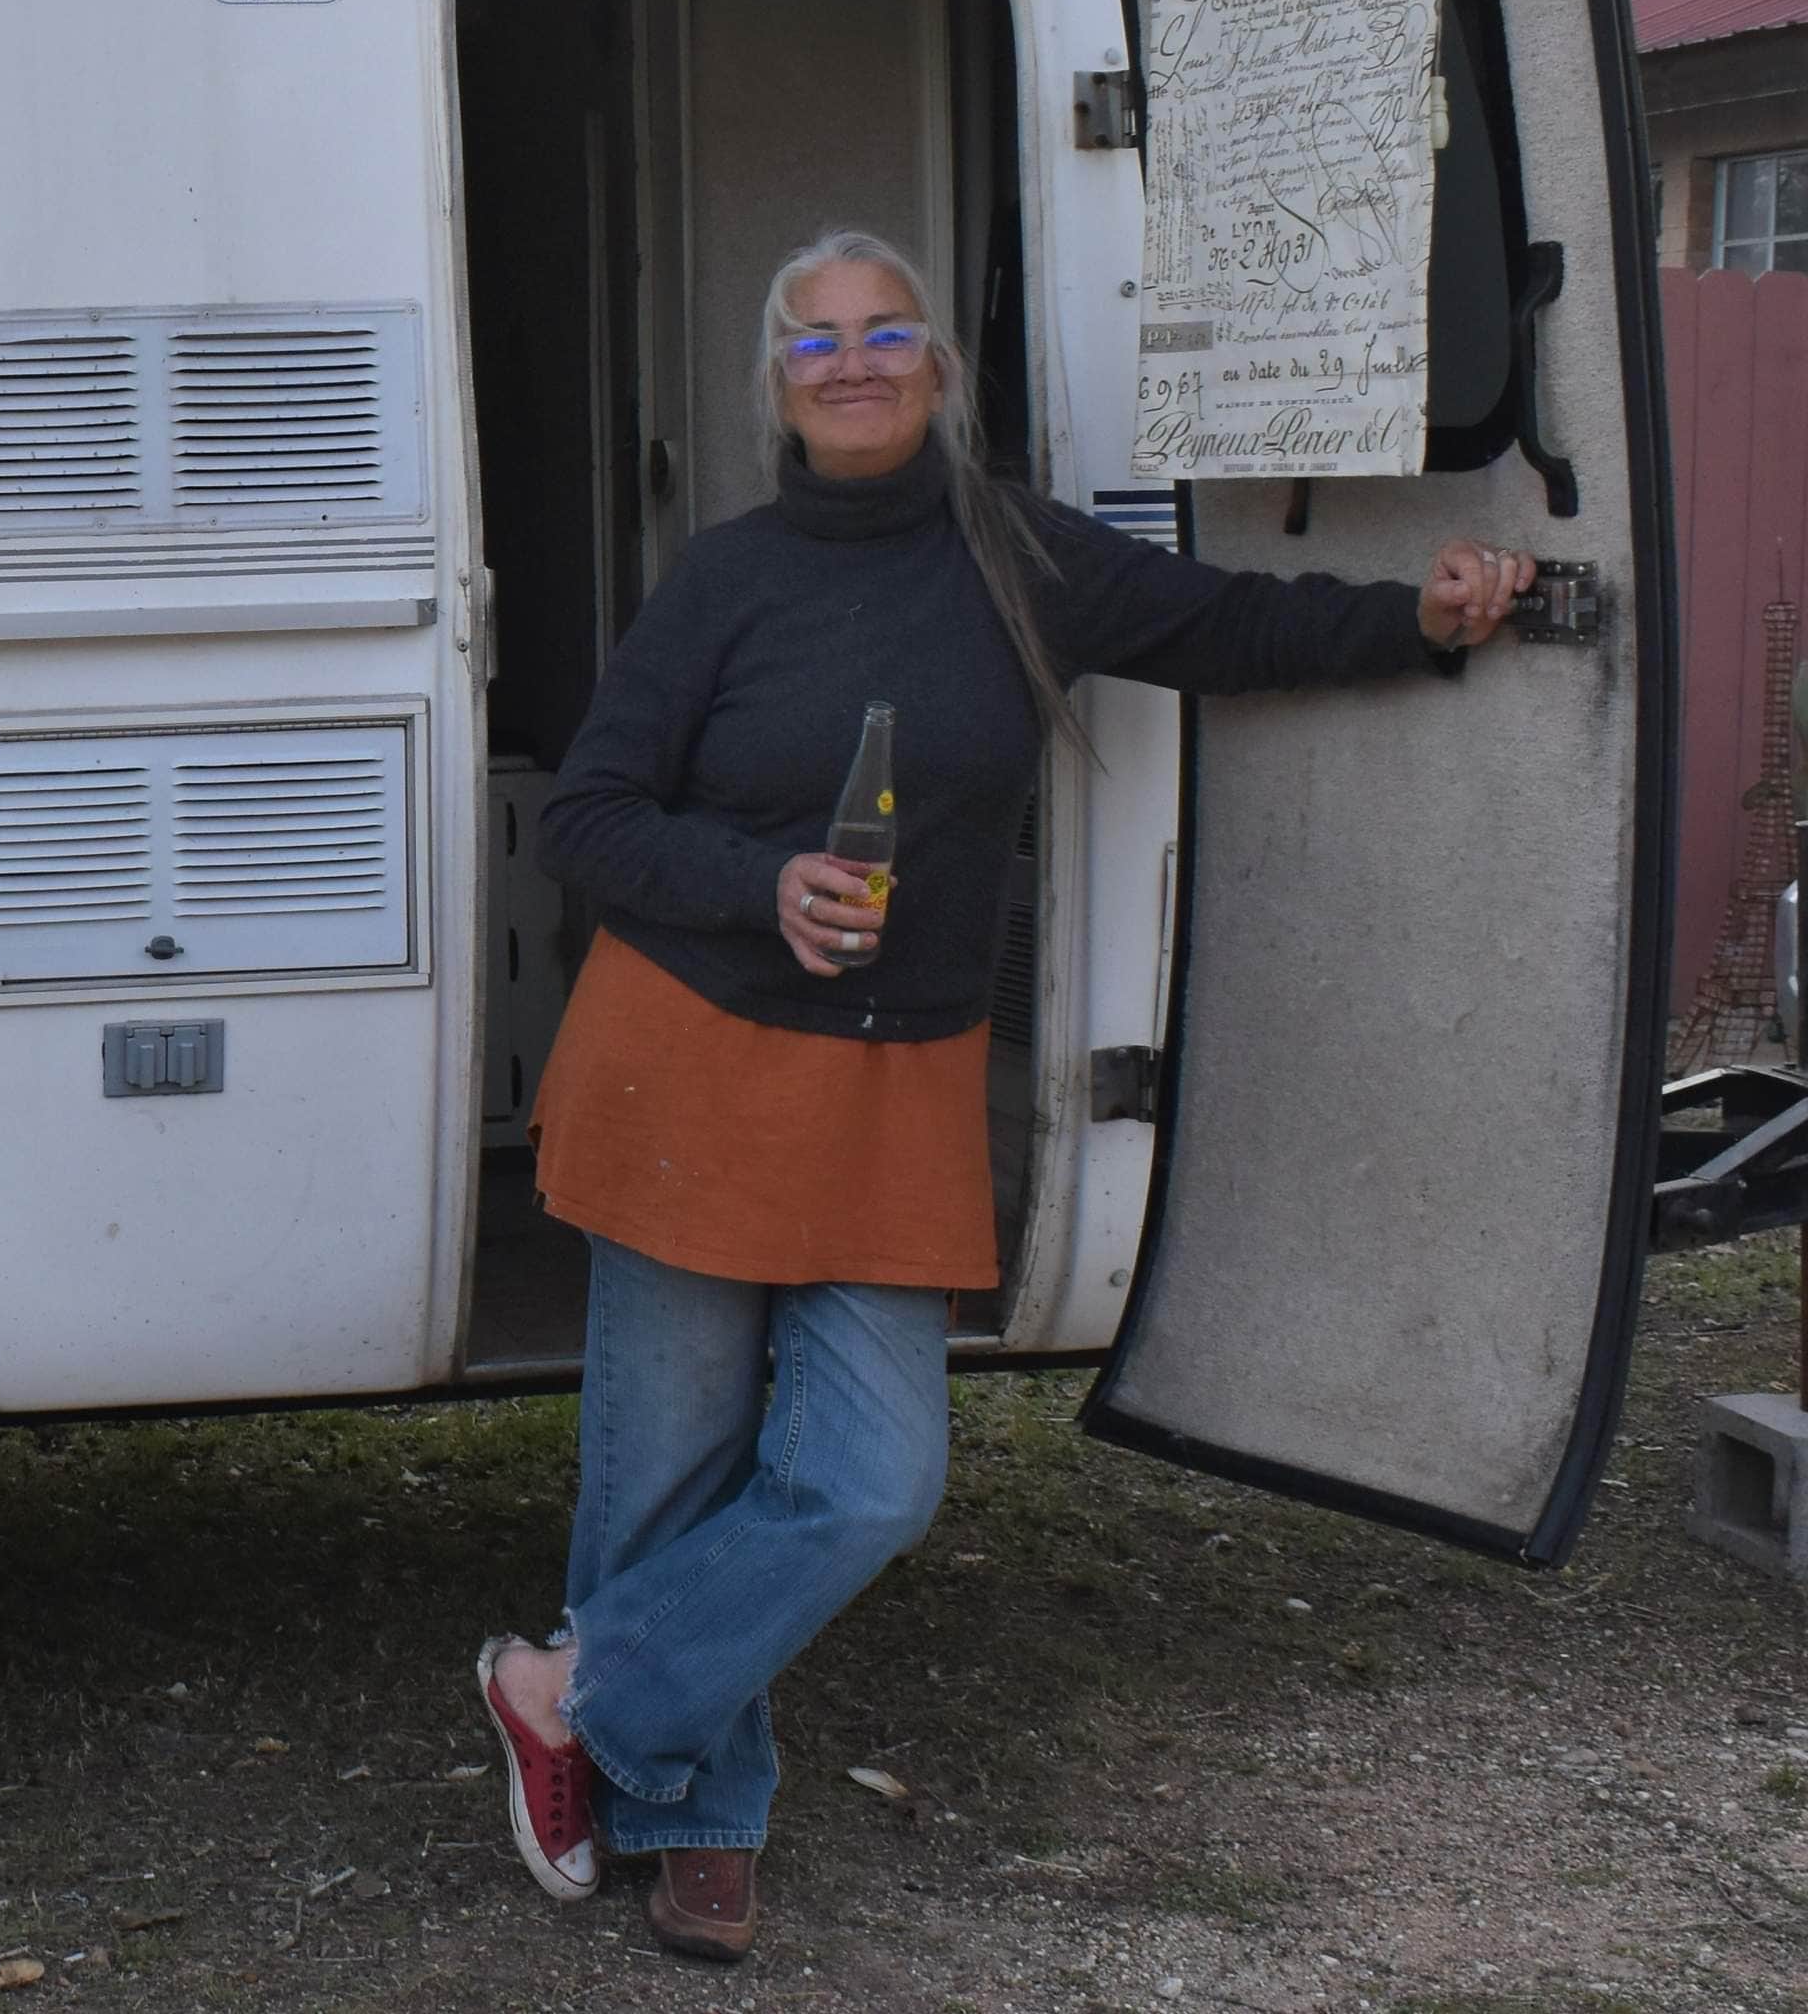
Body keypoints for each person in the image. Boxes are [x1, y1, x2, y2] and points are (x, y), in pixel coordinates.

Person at [469, 227, 1533, 1966]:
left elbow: (1226, 624)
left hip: (895, 1078)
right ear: (778, 386)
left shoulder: (1015, 553)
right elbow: (589, 818)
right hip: (692, 1061)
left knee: (872, 1481)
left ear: (941, 370)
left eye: (888, 333)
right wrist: (763, 884)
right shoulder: (725, 581)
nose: (857, 363)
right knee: (667, 1468)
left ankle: (571, 1695)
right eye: (819, 342)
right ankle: (697, 1816)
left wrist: (1416, 619)